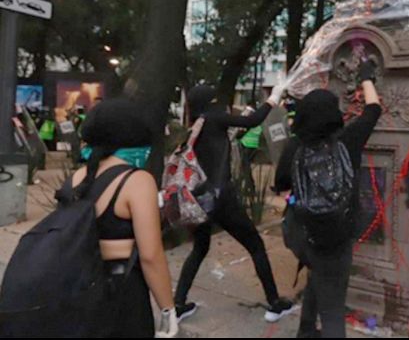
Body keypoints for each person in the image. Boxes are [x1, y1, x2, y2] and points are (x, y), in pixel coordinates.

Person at [275, 60, 382, 338]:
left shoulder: (294, 148)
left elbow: (280, 186)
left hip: (303, 235)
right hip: (337, 239)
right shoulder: (348, 142)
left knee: (317, 277)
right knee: (334, 309)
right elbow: (374, 109)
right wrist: (366, 78)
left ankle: (306, 331)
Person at [174, 85, 294, 323]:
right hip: (222, 200)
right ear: (210, 101)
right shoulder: (214, 117)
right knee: (256, 246)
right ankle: (274, 304)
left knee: (199, 248)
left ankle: (178, 305)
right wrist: (272, 98)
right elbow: (253, 121)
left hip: (200, 200)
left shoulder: (195, 126)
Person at [73, 98, 178, 337]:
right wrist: (167, 309)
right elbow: (151, 255)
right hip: (121, 295)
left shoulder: (77, 177)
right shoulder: (137, 181)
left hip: (78, 287)